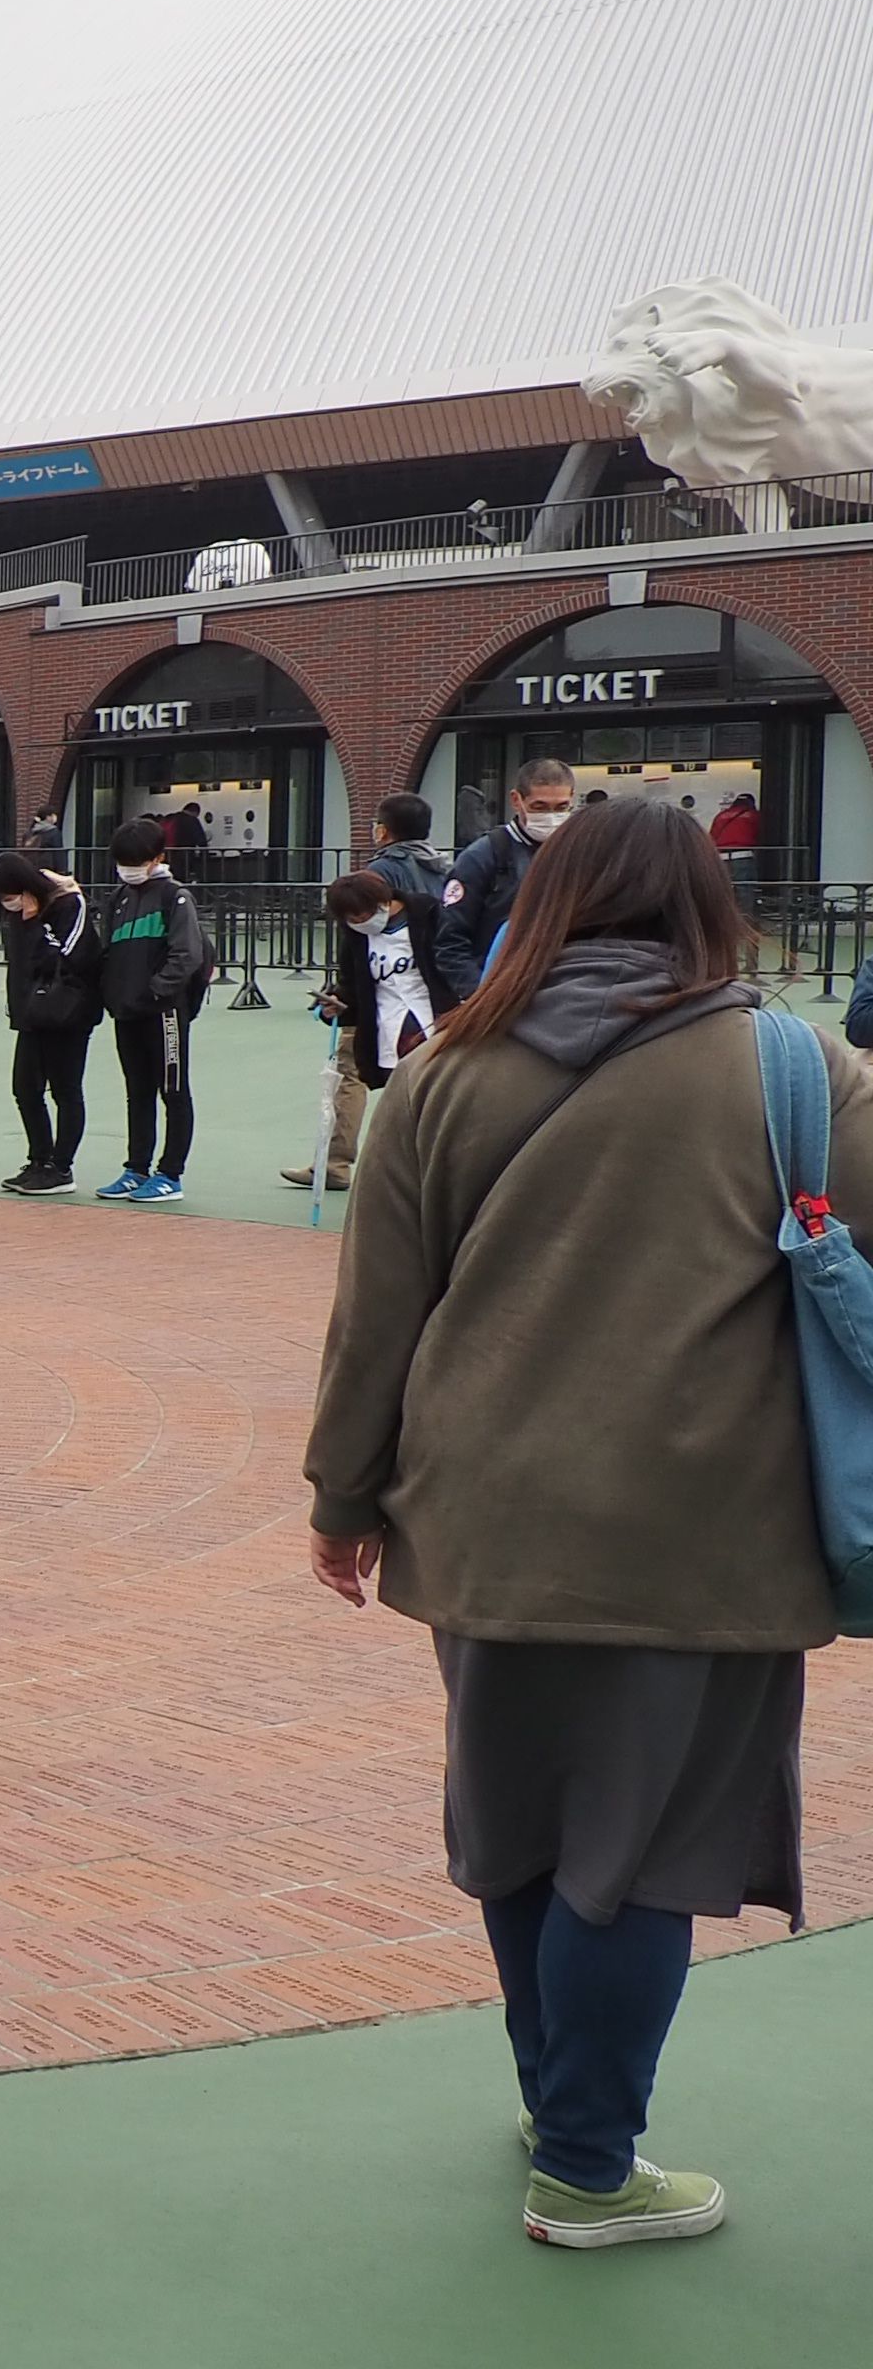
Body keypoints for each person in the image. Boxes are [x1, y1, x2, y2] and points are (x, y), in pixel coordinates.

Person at [302, 796, 848, 2248]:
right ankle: (593, 2168)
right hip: (702, 1531)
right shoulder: (790, 1066)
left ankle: (559, 2103)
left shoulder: (445, 1074)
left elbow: (376, 1328)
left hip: (482, 1521)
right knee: (644, 1853)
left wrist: (344, 1498)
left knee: (522, 1829)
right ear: (706, 909)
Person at [295, 794, 457, 1189]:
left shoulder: (385, 873)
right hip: (387, 1009)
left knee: (367, 1078)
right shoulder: (442, 867)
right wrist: (339, 1004)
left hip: (426, 1012)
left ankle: (336, 1163)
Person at [90, 815, 214, 1204]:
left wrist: (157, 991)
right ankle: (136, 1168)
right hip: (125, 1012)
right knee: (136, 1091)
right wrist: (112, 995)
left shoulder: (175, 896)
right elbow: (106, 951)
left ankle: (170, 1173)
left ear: (158, 856)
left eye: (135, 860)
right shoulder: (118, 898)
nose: (128, 869)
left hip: (164, 1014)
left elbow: (187, 954)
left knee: (173, 1090)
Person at [0, 850, 101, 1196]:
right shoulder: (18, 915)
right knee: (25, 1089)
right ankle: (39, 1160)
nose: (7, 904)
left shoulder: (68, 903)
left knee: (66, 1090)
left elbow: (71, 956)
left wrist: (34, 921)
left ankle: (61, 1168)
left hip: (68, 1013)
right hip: (32, 1014)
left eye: (9, 896)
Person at [438, 758, 576, 1000]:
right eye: (539, 807)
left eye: (561, 807)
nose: (551, 817)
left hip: (565, 992)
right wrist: (478, 996)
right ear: (516, 800)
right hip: (498, 991)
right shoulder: (482, 857)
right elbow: (450, 940)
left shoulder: (580, 852)